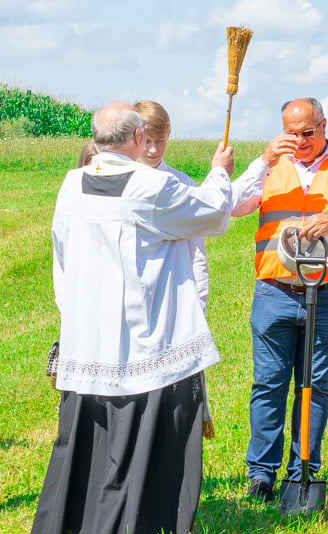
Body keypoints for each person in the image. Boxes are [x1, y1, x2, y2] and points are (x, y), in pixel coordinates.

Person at [30, 102, 238, 534]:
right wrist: (220, 171)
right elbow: (212, 215)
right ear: (140, 139)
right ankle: (140, 526)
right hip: (144, 330)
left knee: (91, 431)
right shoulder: (151, 185)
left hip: (90, 328)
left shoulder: (73, 183)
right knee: (148, 421)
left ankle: (78, 524)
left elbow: (61, 251)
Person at [231, 97, 328, 502]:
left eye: (308, 132)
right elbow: (230, 207)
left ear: (323, 125)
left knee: (314, 385)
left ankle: (303, 468)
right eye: (291, 133)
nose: (299, 141)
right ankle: (261, 474)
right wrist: (263, 160)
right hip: (274, 292)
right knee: (268, 384)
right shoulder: (270, 166)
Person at [134, 100, 215, 439]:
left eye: (162, 141)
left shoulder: (181, 183)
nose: (154, 150)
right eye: (148, 141)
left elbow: (197, 252)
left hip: (173, 299)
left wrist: (199, 298)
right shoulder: (119, 183)